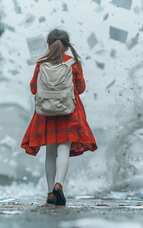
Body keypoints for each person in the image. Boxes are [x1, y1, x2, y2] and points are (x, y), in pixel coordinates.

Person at [21, 29, 98, 206]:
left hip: (45, 113)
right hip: (69, 111)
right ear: (67, 46)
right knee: (64, 150)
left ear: (48, 44)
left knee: (50, 153)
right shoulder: (73, 63)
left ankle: (50, 193)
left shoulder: (41, 63)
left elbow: (33, 88)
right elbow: (81, 88)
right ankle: (59, 185)